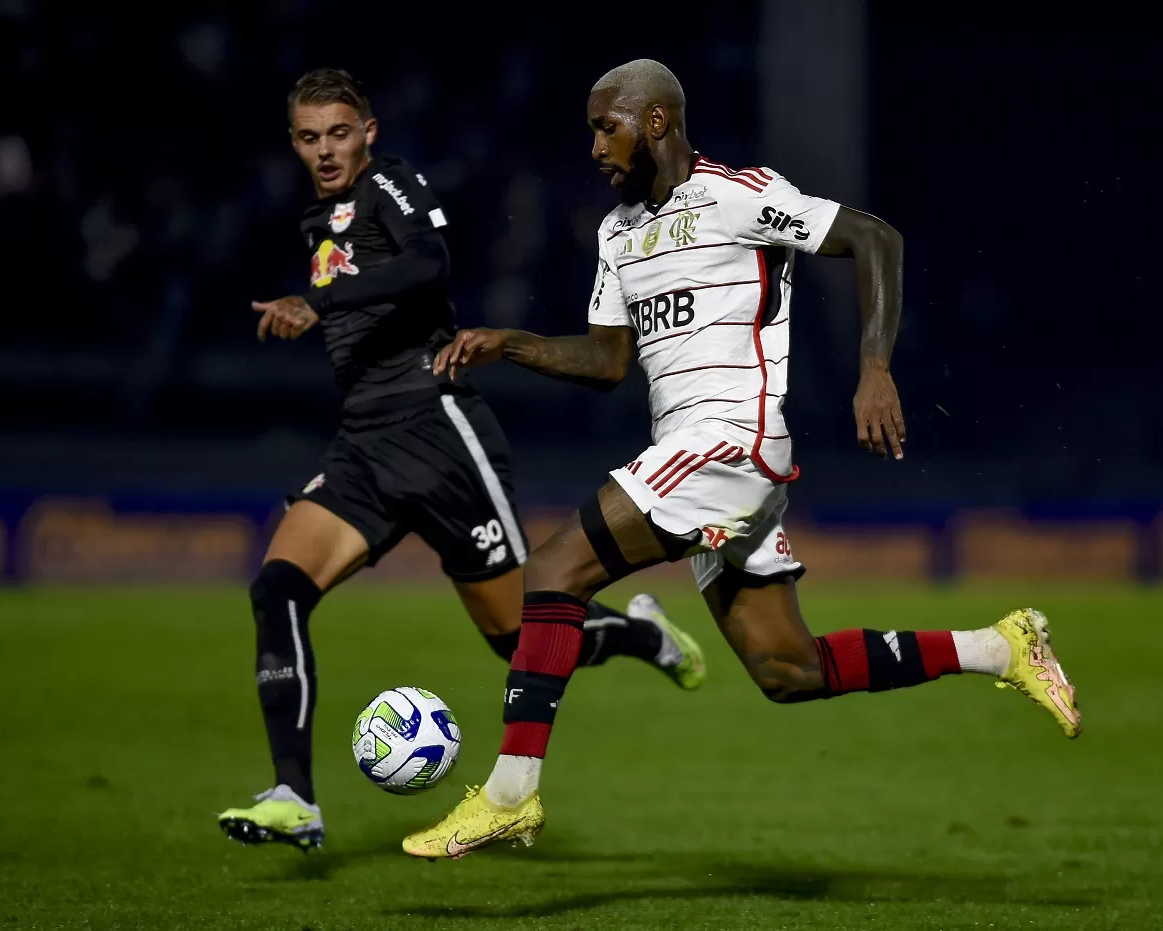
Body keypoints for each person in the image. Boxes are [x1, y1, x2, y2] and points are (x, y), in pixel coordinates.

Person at [402, 59, 1081, 860]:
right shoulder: (617, 233)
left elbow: (874, 236)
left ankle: (511, 794)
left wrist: (874, 368)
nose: (592, 146)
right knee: (787, 668)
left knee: (553, 569)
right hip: (687, 453)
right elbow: (608, 361)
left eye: (604, 125)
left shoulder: (737, 194)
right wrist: (508, 343)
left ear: (654, 121)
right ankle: (1001, 645)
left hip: (732, 442)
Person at [217, 68, 706, 852]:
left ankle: (644, 635)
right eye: (309, 138)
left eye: (339, 133)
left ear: (367, 132)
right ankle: (293, 795)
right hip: (363, 446)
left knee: (517, 638)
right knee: (276, 591)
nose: (326, 150)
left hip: (438, 431)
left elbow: (427, 266)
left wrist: (320, 302)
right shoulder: (321, 218)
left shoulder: (390, 185)